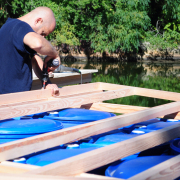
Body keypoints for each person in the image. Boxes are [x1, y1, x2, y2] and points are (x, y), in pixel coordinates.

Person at [0, 7, 60, 95]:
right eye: (43, 33)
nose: (42, 38)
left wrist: (47, 82)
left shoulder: (12, 28)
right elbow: (38, 43)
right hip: (10, 101)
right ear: (38, 21)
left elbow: (34, 60)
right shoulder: (19, 26)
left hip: (15, 98)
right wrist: (55, 54)